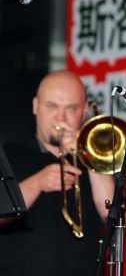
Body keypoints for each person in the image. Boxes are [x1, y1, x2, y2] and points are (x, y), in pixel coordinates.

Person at [0, 70, 114, 276]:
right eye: (52, 106)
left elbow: (113, 213)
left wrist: (90, 155)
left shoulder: (96, 159)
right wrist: (37, 183)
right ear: (36, 106)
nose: (61, 117)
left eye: (71, 108)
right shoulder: (9, 155)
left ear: (85, 110)